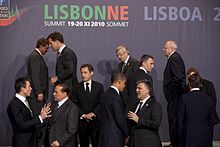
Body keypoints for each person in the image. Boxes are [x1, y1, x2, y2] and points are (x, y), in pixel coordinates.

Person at [7, 77, 51, 147]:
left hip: (31, 141)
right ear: (22, 88)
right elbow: (22, 125)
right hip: (23, 143)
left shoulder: (25, 101)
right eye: (29, 86)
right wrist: (40, 118)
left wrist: (41, 117)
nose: (31, 89)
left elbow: (29, 121)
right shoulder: (14, 104)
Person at [178, 74, 218, 147]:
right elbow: (211, 121)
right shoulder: (209, 100)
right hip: (205, 137)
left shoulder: (184, 99)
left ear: (189, 84)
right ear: (200, 84)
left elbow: (180, 120)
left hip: (189, 138)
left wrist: (181, 138)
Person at [73, 64, 104, 147]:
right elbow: (74, 103)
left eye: (85, 72)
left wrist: (93, 113)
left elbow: (101, 103)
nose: (83, 75)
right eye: (81, 73)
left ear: (91, 73)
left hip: (95, 122)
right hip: (82, 122)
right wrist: (83, 115)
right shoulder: (76, 87)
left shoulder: (99, 86)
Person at [26, 38, 49, 146]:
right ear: (41, 45)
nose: (47, 50)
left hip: (37, 96)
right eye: (46, 48)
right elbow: (35, 76)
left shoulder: (35, 56)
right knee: (38, 121)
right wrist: (39, 92)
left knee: (40, 121)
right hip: (36, 97)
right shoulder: (35, 56)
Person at [163, 40, 186, 147]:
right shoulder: (174, 58)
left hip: (176, 96)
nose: (163, 49)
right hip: (175, 96)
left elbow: (178, 78)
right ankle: (175, 142)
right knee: (174, 119)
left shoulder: (174, 58)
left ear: (171, 49)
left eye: (165, 47)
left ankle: (176, 144)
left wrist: (170, 92)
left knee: (175, 120)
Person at [186, 67, 220, 140]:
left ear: (197, 76)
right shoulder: (187, 87)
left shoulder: (208, 84)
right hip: (193, 120)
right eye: (189, 78)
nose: (191, 79)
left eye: (192, 77)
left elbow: (213, 100)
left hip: (207, 118)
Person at [127, 80, 162, 147]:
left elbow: (155, 124)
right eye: (136, 88)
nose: (136, 90)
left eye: (139, 88)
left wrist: (138, 120)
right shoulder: (135, 105)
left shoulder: (155, 105)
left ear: (147, 91)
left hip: (148, 143)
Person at [99, 72, 128, 147]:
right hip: (114, 138)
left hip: (103, 136)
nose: (124, 86)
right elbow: (120, 119)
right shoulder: (116, 97)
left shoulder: (105, 95)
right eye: (124, 83)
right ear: (119, 82)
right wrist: (126, 133)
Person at [47, 32, 78, 100]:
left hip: (68, 89)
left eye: (51, 43)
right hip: (65, 88)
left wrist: (57, 78)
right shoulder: (63, 53)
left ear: (57, 42)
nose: (49, 46)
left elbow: (70, 70)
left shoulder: (67, 53)